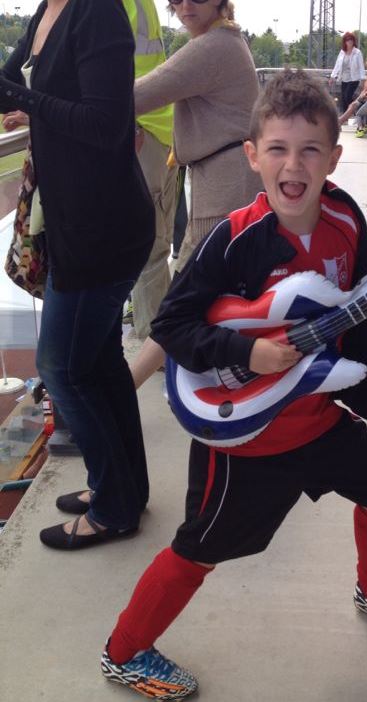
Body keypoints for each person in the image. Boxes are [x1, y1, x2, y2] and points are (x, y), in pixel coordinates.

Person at [99, 69, 367, 700]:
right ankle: (125, 651)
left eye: (311, 150)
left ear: (334, 158)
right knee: (199, 550)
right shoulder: (233, 239)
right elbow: (172, 326)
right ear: (253, 156)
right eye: (278, 148)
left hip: (321, 415)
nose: (294, 164)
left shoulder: (345, 218)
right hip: (248, 437)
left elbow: (357, 310)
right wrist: (246, 351)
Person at [0, 0, 154, 548]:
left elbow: (106, 125)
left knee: (61, 367)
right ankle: (124, 489)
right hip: (76, 224)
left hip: (103, 229)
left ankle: (113, 509)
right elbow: (10, 85)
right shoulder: (46, 10)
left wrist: (24, 100)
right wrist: (17, 95)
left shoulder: (96, 12)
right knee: (100, 364)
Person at [127, 0, 263, 389]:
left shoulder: (213, 46)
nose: (185, 5)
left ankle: (125, 390)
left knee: (182, 301)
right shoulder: (223, 39)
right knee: (197, 297)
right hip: (222, 179)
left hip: (225, 187)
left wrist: (47, 104)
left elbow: (135, 96)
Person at [126, 0, 178, 341]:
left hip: (143, 131)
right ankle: (151, 324)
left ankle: (156, 339)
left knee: (150, 245)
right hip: (157, 129)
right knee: (155, 242)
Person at [330, 31, 367, 112]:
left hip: (354, 78)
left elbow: (361, 66)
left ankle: (353, 110)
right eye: (347, 40)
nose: (349, 42)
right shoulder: (342, 52)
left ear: (353, 41)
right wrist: (332, 76)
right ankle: (346, 115)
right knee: (343, 98)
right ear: (345, 42)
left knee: (347, 96)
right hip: (344, 78)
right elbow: (337, 65)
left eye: (351, 40)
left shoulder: (357, 52)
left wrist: (363, 79)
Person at [338, 56, 367, 126]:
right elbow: (365, 90)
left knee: (353, 105)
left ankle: (341, 121)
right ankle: (341, 121)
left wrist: (362, 97)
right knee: (352, 104)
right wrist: (360, 97)